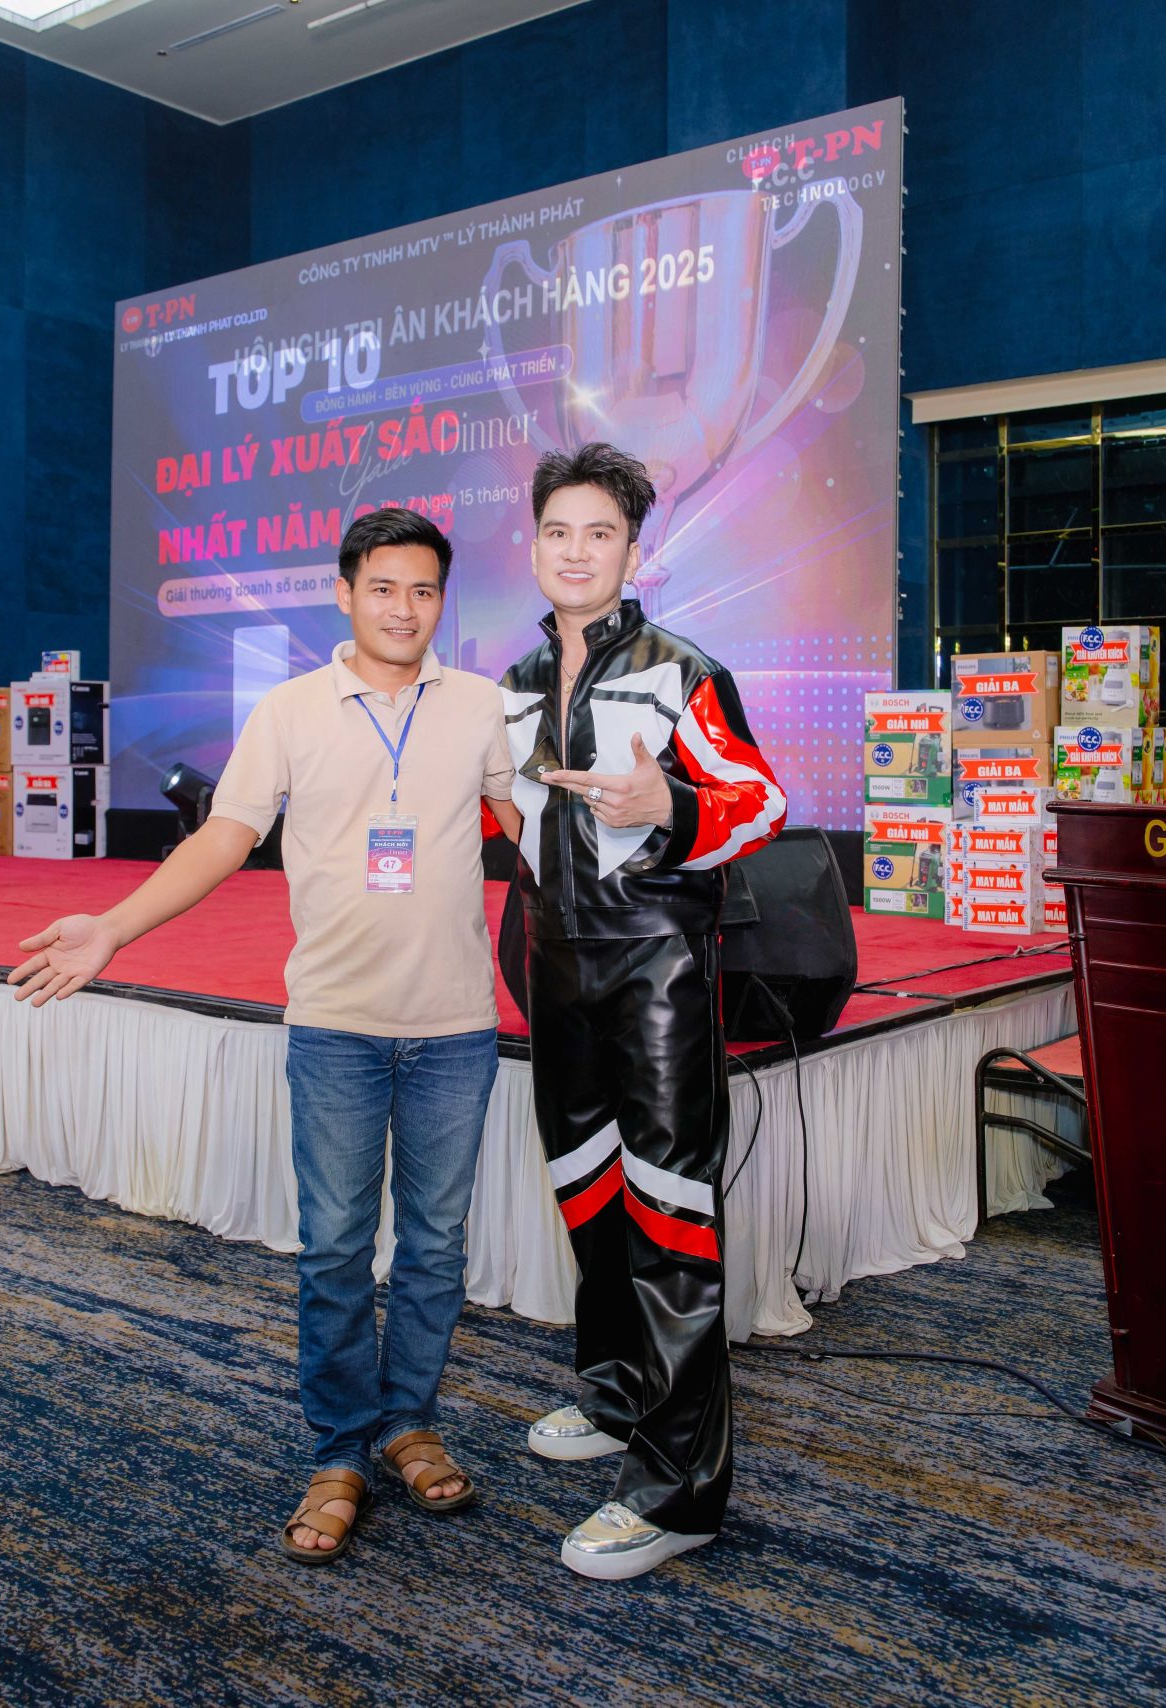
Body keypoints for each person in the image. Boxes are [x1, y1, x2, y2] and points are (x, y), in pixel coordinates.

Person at [7, 506, 520, 1566]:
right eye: (384, 588)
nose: (404, 609)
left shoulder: (482, 706)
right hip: (333, 1025)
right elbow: (225, 839)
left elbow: (538, 834)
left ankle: (410, 1424)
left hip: (455, 1028)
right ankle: (340, 1450)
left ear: (443, 600)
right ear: (344, 592)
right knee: (336, 1249)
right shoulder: (289, 710)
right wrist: (113, 927)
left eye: (424, 591)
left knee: (434, 1248)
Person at [498, 441, 787, 1581]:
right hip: (553, 966)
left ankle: (678, 1490)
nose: (576, 552)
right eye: (558, 531)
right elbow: (511, 821)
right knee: (587, 1193)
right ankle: (618, 1393)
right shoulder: (512, 684)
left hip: (658, 965)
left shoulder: (682, 672)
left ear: (633, 551)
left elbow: (759, 800)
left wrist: (669, 800)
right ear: (532, 543)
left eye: (600, 534)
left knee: (670, 1214)